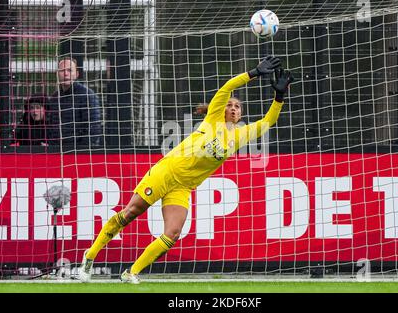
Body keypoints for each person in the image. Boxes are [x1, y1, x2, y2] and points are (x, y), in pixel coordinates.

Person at [77, 56, 293, 283]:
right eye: (229, 104)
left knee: (172, 234)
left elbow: (268, 121)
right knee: (130, 213)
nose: (232, 108)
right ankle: (89, 257)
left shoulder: (240, 135)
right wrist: (253, 73)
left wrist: (279, 96)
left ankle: (131, 272)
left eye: (237, 106)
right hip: (166, 172)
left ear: (241, 115)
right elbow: (229, 86)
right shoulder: (212, 119)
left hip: (182, 187)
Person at [48, 57, 103, 149]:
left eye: (69, 70)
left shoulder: (87, 95)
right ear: (57, 74)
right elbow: (51, 126)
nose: (66, 74)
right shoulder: (54, 98)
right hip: (57, 151)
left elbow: (94, 128)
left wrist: (81, 151)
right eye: (62, 70)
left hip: (80, 154)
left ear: (76, 74)